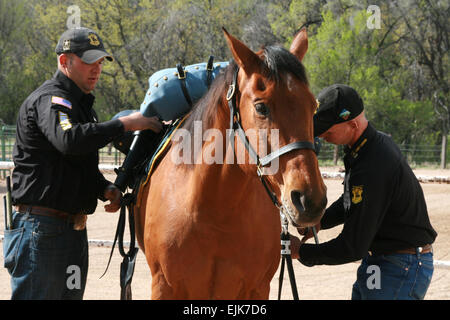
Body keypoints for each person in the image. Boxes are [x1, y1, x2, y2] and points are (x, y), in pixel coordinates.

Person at [2, 27, 162, 300]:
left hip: (71, 231)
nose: (96, 69)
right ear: (65, 62)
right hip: (41, 229)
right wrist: (124, 123)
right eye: (89, 61)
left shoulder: (82, 106)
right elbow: (69, 140)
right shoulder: (51, 100)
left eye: (99, 62)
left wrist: (104, 189)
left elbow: (77, 163)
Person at [290, 84, 437, 300]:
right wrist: (320, 221)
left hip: (399, 265)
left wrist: (301, 252)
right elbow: (354, 199)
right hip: (385, 261)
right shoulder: (366, 149)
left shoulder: (373, 164)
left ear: (352, 124)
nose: (321, 134)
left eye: (328, 129)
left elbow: (352, 246)